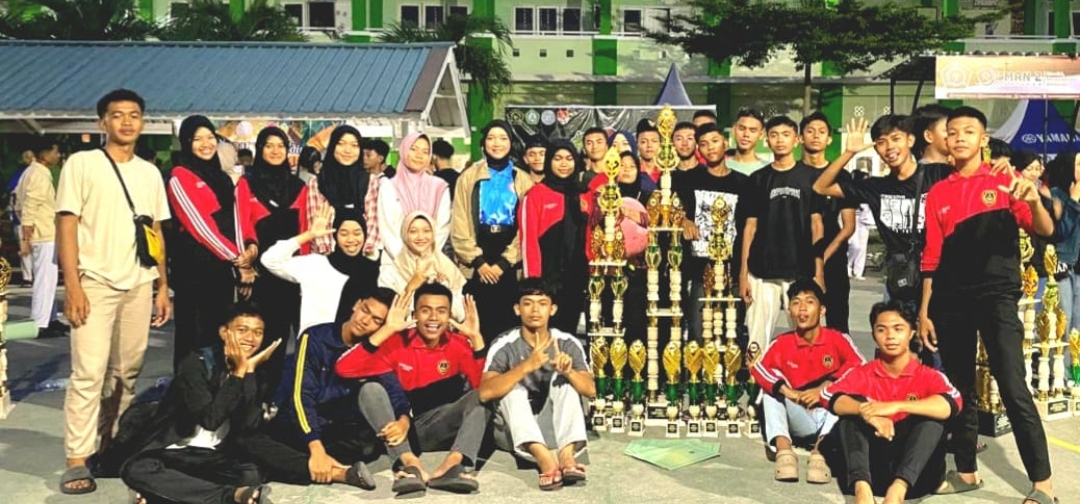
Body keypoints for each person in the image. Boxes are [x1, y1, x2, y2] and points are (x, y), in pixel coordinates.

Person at [919, 106, 1056, 504]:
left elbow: (1044, 228)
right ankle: (966, 471)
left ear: (983, 139)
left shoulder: (1005, 180)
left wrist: (1034, 201)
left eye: (968, 131)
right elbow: (931, 256)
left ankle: (1043, 485)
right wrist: (925, 310)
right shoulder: (938, 193)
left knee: (1012, 386)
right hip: (950, 299)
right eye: (953, 131)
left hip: (997, 295)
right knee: (960, 388)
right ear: (945, 141)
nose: (959, 137)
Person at [57, 89, 172, 494]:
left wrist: (162, 285)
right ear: (102, 122)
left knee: (128, 372)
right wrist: (72, 285)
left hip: (139, 282)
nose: (126, 122)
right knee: (89, 372)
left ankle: (112, 446)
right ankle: (77, 458)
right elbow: (67, 224)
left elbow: (155, 232)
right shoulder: (82, 164)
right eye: (117, 115)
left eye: (134, 115)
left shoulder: (149, 173)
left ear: (143, 122)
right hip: (94, 281)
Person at [236, 289, 401, 490]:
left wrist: (404, 420)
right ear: (357, 304)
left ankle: (299, 465)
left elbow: (394, 390)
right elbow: (301, 396)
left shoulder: (376, 350)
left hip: (336, 431)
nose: (365, 321)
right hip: (300, 428)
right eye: (365, 310)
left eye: (376, 320)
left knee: (368, 445)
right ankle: (338, 473)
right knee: (250, 441)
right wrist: (315, 446)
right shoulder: (315, 336)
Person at [336, 284, 490, 496]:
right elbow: (344, 368)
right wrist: (388, 329)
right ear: (414, 314)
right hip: (393, 429)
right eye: (426, 310)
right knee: (370, 389)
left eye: (441, 311)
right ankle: (409, 465)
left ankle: (452, 466)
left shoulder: (458, 344)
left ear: (449, 316)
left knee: (482, 396)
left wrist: (476, 339)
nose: (433, 317)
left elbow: (483, 388)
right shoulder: (395, 342)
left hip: (432, 426)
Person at [121, 304, 277, 504]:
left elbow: (250, 425)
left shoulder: (256, 370)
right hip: (174, 451)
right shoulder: (196, 364)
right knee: (136, 470)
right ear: (224, 333)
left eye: (258, 332)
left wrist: (249, 373)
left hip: (214, 455)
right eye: (242, 330)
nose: (250, 338)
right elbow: (210, 420)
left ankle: (161, 494)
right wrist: (237, 374)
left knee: (252, 474)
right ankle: (231, 496)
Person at [821, 301, 961, 503]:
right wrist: (866, 412)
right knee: (849, 415)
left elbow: (953, 403)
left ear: (911, 332)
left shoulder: (928, 375)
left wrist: (896, 406)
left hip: (917, 478)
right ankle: (862, 493)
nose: (890, 336)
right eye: (881, 330)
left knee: (933, 419)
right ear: (873, 335)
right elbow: (828, 396)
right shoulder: (862, 373)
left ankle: (897, 492)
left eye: (898, 329)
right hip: (872, 474)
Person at [811, 115, 952, 310]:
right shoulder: (875, 187)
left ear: (910, 140)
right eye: (881, 142)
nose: (889, 147)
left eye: (896, 139)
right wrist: (849, 153)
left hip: (939, 275)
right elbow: (820, 187)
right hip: (900, 277)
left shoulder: (937, 174)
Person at [168, 115, 265, 369]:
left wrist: (249, 250)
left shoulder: (221, 178)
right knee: (193, 343)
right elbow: (201, 227)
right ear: (186, 142)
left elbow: (237, 221)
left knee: (219, 339)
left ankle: (218, 391)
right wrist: (238, 260)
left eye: (210, 137)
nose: (206, 144)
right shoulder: (180, 176)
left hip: (221, 274)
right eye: (197, 139)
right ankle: (189, 392)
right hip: (194, 275)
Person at [479, 278, 595, 491]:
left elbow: (590, 390)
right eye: (528, 303)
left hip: (554, 430)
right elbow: (485, 393)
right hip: (514, 433)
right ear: (517, 309)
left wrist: (568, 372)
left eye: (542, 304)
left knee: (565, 382)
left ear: (552, 309)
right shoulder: (504, 344)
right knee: (512, 389)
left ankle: (566, 456)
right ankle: (545, 460)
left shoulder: (566, 343)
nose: (535, 310)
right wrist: (526, 366)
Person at [751, 280, 864, 483]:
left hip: (830, 417)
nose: (802, 308)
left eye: (809, 302)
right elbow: (759, 369)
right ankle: (784, 451)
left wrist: (825, 388)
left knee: (848, 392)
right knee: (771, 387)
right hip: (800, 415)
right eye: (796, 303)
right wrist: (789, 392)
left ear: (822, 310)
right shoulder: (782, 343)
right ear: (790, 311)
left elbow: (861, 367)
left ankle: (820, 452)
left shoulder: (837, 339)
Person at [740, 115, 824, 351]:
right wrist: (743, 273)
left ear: (796, 140)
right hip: (762, 270)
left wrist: (819, 272)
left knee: (805, 334)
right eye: (774, 135)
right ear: (766, 140)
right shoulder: (758, 179)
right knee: (757, 337)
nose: (780, 140)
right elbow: (750, 227)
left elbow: (817, 225)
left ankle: (805, 374)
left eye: (786, 135)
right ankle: (758, 375)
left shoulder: (812, 178)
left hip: (800, 269)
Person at [452, 119, 535, 343]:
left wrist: (504, 263)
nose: (496, 143)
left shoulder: (523, 179)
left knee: (508, 327)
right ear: (483, 143)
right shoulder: (468, 177)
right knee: (478, 325)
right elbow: (459, 223)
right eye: (491, 138)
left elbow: (528, 228)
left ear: (511, 143)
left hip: (509, 263)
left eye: (503, 138)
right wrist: (479, 262)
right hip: (477, 262)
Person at [245, 127, 309, 398]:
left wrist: (305, 275)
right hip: (262, 278)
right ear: (259, 149)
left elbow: (305, 230)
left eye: (280, 146)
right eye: (268, 145)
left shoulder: (298, 187)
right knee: (269, 342)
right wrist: (245, 268)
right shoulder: (246, 184)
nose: (275, 151)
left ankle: (298, 401)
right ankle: (262, 400)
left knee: (305, 341)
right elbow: (243, 227)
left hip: (293, 277)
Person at [673, 123, 750, 342]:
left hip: (732, 271)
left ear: (725, 143)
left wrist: (744, 273)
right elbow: (673, 210)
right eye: (704, 144)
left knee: (731, 336)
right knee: (699, 334)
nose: (710, 148)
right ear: (699, 148)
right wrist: (683, 220)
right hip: (700, 271)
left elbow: (748, 228)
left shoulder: (742, 183)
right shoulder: (689, 181)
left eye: (715, 141)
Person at [261, 207, 378, 333]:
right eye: (344, 234)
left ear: (365, 234)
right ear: (335, 235)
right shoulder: (316, 264)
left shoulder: (373, 270)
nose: (351, 239)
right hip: (313, 340)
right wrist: (309, 234)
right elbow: (270, 260)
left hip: (353, 342)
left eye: (357, 233)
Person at [518, 140, 588, 335]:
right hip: (548, 282)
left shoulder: (584, 193)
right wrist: (534, 284)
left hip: (577, 280)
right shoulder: (536, 194)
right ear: (549, 161)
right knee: (545, 335)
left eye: (569, 158)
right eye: (558, 158)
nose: (564, 164)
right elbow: (528, 241)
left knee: (569, 334)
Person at [801, 112, 857, 333]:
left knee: (838, 320)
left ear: (829, 139)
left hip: (834, 256)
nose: (816, 136)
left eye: (822, 132)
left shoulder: (842, 176)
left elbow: (849, 226)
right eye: (810, 131)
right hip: (799, 254)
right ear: (800, 137)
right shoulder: (794, 173)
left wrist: (824, 256)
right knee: (802, 318)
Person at [15, 136, 67, 338]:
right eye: (55, 152)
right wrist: (27, 232)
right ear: (45, 154)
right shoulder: (39, 174)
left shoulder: (31, 172)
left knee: (49, 279)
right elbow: (31, 204)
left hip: (44, 232)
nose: (58, 155)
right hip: (44, 233)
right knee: (45, 280)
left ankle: (50, 318)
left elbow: (19, 203)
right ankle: (39, 324)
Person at [379, 211, 467, 320]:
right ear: (404, 235)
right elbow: (388, 315)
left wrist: (442, 289)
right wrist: (410, 287)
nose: (421, 237)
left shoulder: (446, 267)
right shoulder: (391, 273)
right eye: (413, 231)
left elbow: (460, 315)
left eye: (426, 231)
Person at [377, 133, 451, 263]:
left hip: (430, 263)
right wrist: (407, 261)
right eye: (414, 149)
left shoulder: (439, 188)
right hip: (395, 263)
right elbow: (387, 229)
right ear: (404, 150)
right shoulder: (388, 187)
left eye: (425, 152)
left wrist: (425, 259)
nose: (419, 155)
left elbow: (442, 228)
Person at [305, 125, 368, 255]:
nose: (348, 150)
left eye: (354, 145)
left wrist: (366, 253)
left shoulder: (371, 181)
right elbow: (316, 221)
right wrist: (328, 255)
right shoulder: (318, 182)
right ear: (332, 146)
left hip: (363, 256)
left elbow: (373, 221)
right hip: (327, 256)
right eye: (341, 144)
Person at [1045, 151, 1080, 356]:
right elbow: (1061, 232)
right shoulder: (1055, 195)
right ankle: (1062, 370)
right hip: (1063, 267)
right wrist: (1073, 201)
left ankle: (1077, 371)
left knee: (1078, 324)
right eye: (1078, 164)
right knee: (1063, 324)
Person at [9, 149, 34, 285]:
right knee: (27, 248)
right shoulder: (20, 174)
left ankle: (30, 276)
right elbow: (14, 196)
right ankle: (28, 276)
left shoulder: (35, 173)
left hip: (30, 217)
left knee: (31, 248)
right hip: (23, 217)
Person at [727, 108, 768, 176]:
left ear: (761, 135)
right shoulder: (720, 168)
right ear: (734, 130)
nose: (746, 134)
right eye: (742, 128)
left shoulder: (767, 170)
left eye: (752, 130)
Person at [848, 200, 873, 281]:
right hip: (851, 215)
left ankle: (858, 272)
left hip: (865, 217)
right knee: (854, 244)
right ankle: (848, 266)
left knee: (862, 247)